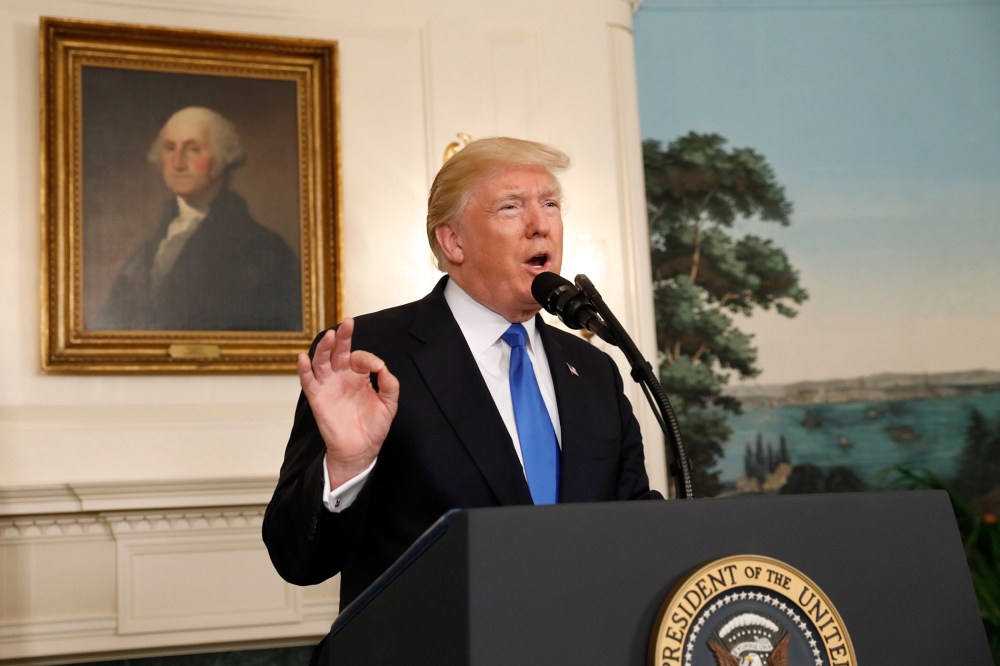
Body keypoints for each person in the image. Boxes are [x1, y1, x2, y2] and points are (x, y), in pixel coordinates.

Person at [262, 137, 661, 637]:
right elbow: (298, 559)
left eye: (550, 204)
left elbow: (634, 529)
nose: (541, 224)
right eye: (511, 207)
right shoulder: (368, 355)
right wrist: (346, 466)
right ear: (452, 241)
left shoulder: (594, 369)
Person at [91, 106, 301, 331]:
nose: (178, 162)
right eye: (170, 148)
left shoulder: (264, 251)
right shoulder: (149, 248)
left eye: (193, 149)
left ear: (222, 157)